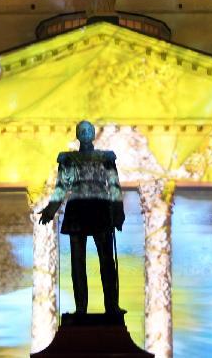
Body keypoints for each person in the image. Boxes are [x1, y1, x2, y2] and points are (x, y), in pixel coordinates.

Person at [39, 120, 125, 315]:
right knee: (78, 263)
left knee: (107, 261)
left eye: (88, 131)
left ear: (93, 134)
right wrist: (50, 210)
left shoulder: (105, 158)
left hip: (100, 208)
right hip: (77, 209)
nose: (85, 133)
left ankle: (111, 306)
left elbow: (114, 186)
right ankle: (80, 309)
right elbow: (61, 187)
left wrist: (118, 211)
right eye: (82, 131)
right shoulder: (69, 160)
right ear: (78, 135)